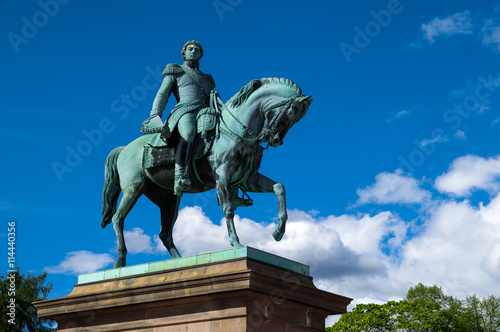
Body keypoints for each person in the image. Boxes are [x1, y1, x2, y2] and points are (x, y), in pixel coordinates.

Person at [141, 40, 215, 196]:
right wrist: (155, 114)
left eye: (196, 49)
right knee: (188, 132)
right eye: (190, 49)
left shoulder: (208, 79)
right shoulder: (176, 70)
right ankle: (180, 175)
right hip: (185, 110)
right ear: (184, 53)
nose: (193, 51)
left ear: (201, 55)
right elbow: (163, 94)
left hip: (206, 112)